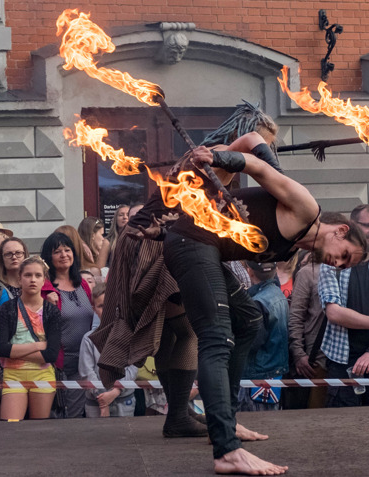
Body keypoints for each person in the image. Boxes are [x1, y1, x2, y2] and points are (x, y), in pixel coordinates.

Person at [143, 131, 367, 475]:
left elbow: (263, 160)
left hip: (204, 250)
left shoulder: (295, 247)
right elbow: (256, 161)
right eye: (345, 256)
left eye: (343, 266)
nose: (337, 264)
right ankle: (226, 450)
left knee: (248, 321)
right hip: (191, 244)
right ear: (341, 230)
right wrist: (217, 159)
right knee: (217, 339)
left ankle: (227, 422)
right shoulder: (306, 207)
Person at [91, 102, 283, 443]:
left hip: (159, 241)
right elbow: (261, 157)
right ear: (246, 137)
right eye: (264, 143)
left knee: (182, 333)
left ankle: (179, 417)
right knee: (199, 327)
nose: (263, 151)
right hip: (155, 243)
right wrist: (267, 161)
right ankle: (208, 417)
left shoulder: (214, 158)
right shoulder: (220, 152)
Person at [318, 204, 369, 409]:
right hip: (341, 358)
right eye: (368, 226)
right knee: (343, 425)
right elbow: (334, 312)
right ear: (352, 226)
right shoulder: (332, 262)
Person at [0, 256, 61, 420]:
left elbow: (51, 354)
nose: (33, 280)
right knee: (10, 425)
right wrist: (38, 346)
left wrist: (14, 351)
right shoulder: (7, 309)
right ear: (19, 278)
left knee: (38, 430)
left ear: (44, 279)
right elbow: (2, 349)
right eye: (28, 275)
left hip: (43, 375)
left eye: (38, 275)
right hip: (13, 375)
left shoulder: (52, 311)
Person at [40, 232, 94, 418]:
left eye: (67, 250)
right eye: (57, 251)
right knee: (62, 415)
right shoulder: (45, 288)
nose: (64, 255)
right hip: (60, 364)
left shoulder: (84, 285)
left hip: (85, 361)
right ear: (49, 257)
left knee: (80, 414)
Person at [79, 283, 138, 417]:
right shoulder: (88, 339)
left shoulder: (128, 335)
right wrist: (102, 398)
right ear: (94, 309)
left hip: (124, 400)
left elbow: (133, 367)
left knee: (125, 436)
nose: (106, 310)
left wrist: (116, 391)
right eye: (101, 306)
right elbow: (86, 372)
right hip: (96, 402)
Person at [237, 261, 289, 412]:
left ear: (249, 271)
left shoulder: (257, 302)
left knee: (253, 423)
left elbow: (252, 342)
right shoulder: (279, 294)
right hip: (274, 372)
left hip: (256, 375)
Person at [287, 251, 329, 409]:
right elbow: (296, 315)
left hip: (347, 361)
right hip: (316, 361)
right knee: (314, 415)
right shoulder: (309, 272)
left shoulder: (354, 270)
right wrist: (298, 353)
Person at [0, 237, 29, 305]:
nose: (14, 257)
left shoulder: (33, 283)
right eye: (8, 254)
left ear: (25, 255)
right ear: (1, 258)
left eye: (18, 253)